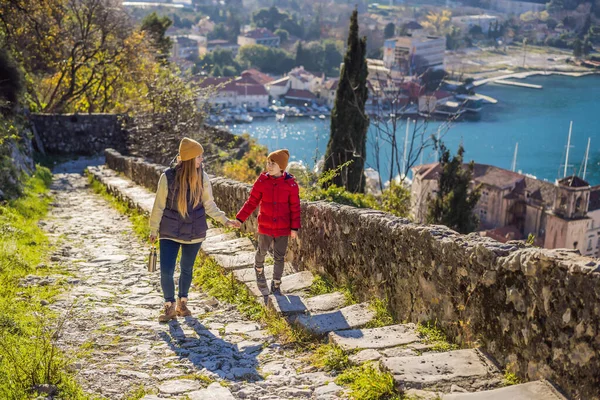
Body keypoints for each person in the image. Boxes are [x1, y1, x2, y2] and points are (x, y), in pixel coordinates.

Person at [149, 137, 240, 322]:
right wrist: (153, 229)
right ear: (190, 159)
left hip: (194, 231)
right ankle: (169, 306)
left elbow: (209, 204)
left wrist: (225, 220)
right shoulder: (167, 177)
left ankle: (182, 303)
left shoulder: (203, 177)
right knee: (166, 270)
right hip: (169, 231)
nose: (202, 160)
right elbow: (158, 205)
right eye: (199, 157)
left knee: (187, 268)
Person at [235, 149, 301, 295]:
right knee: (262, 251)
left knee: (279, 257)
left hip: (283, 228)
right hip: (265, 226)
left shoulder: (291, 185)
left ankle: (276, 283)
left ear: (282, 167)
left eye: (273, 163)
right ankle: (258, 269)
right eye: (268, 163)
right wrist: (240, 219)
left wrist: (294, 228)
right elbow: (251, 202)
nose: (269, 166)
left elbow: (295, 208)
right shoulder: (262, 182)